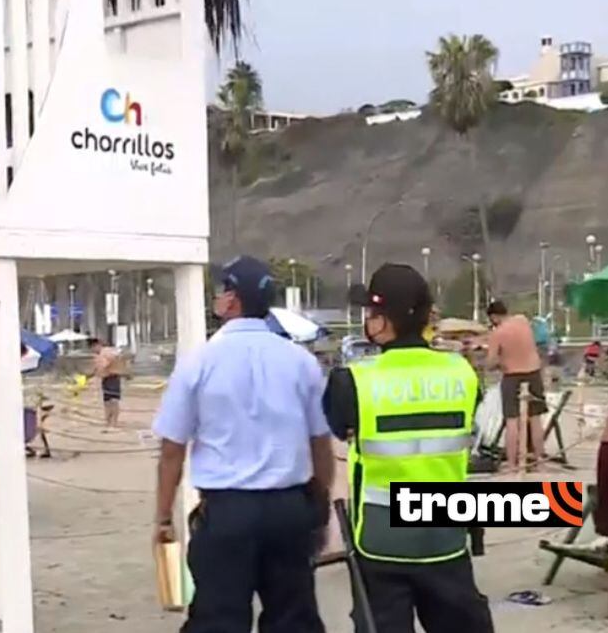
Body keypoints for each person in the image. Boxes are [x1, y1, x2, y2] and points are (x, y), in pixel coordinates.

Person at [153, 255, 333, 633]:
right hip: (288, 507)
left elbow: (172, 450)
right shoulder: (300, 362)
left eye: (221, 292)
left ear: (232, 300)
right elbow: (320, 442)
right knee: (293, 618)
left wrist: (163, 517)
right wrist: (317, 502)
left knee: (218, 619)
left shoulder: (198, 362)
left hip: (228, 511)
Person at [323, 263, 493, 633]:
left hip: (380, 540)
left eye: (371, 313)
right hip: (445, 534)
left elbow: (341, 428)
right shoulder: (462, 373)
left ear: (384, 321)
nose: (368, 320)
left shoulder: (353, 380)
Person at [485, 300, 548, 470]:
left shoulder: (497, 333)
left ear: (494, 317)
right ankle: (539, 458)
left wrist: (498, 362)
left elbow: (491, 362)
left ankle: (513, 463)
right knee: (535, 419)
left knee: (512, 420)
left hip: (512, 375)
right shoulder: (522, 320)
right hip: (533, 371)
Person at [88, 337, 124, 428]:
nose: (92, 350)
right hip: (105, 379)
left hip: (113, 378)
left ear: (97, 345)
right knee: (107, 401)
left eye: (93, 348)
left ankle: (114, 422)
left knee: (113, 401)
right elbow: (97, 368)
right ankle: (108, 421)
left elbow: (111, 361)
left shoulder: (107, 352)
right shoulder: (98, 355)